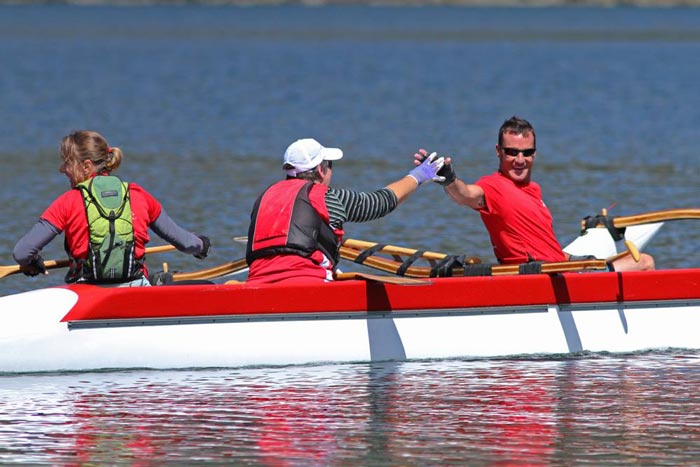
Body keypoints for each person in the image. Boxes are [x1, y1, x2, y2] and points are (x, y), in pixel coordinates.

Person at [415, 116, 654, 271]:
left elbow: (545, 247)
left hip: (560, 267)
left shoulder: (534, 190)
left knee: (627, 261)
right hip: (538, 277)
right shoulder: (492, 186)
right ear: (499, 152)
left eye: (527, 153)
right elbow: (465, 194)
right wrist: (449, 179)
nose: (520, 160)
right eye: (512, 152)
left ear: (534, 154)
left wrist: (579, 260)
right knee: (643, 262)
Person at [13, 130, 210, 286]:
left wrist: (32, 263)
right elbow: (186, 245)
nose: (62, 169)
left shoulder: (68, 201)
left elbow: (22, 252)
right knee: (200, 284)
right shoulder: (138, 195)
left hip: (86, 292)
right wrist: (202, 245)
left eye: (67, 163)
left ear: (86, 166)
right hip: (135, 289)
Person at [246, 137, 445, 284]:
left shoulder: (264, 198)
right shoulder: (326, 197)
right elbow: (380, 203)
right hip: (308, 286)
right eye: (330, 165)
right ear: (320, 171)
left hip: (256, 286)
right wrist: (419, 176)